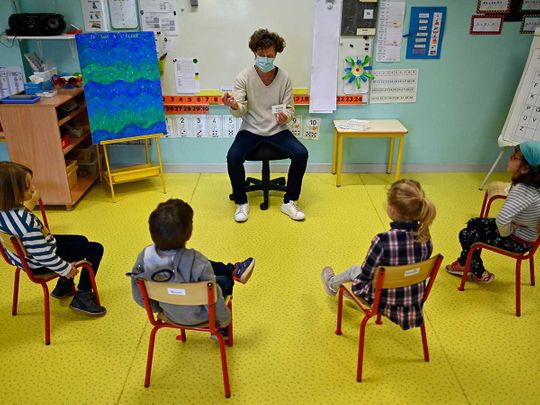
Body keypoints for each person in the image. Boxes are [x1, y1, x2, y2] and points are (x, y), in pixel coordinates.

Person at [130, 199, 255, 338]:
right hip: (201, 316)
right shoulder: (198, 261)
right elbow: (214, 297)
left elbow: (139, 295)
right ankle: (221, 332)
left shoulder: (144, 258)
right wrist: (224, 320)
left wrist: (157, 306)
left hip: (169, 312)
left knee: (202, 278)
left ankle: (233, 270)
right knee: (225, 282)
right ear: (189, 233)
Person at [321, 179, 436, 330]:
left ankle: (331, 284)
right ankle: (336, 285)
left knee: (354, 270)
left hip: (383, 301)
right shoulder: (425, 238)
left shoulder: (383, 241)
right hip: (413, 302)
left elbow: (366, 274)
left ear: (393, 210)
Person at [223, 28, 309, 222]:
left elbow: (290, 109)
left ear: (276, 53)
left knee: (301, 154)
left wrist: (284, 117)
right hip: (250, 129)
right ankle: (241, 202)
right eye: (260, 55)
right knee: (233, 156)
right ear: (254, 52)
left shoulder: (284, 77)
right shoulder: (243, 77)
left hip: (277, 130)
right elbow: (239, 110)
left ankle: (289, 201)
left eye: (269, 55)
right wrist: (235, 105)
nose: (264, 59)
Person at [0, 162, 106, 316]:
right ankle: (82, 295)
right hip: (40, 262)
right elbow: (44, 256)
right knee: (96, 249)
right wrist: (66, 269)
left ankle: (63, 286)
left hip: (24, 257)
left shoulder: (6, 211)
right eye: (27, 187)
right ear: (11, 193)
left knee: (82, 240)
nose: (33, 188)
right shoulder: (27, 226)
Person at [446, 141, 540, 283]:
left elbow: (502, 220)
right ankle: (464, 263)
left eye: (514, 157)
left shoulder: (523, 190)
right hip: (523, 234)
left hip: (518, 240)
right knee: (473, 223)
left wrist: (505, 232)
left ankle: (478, 272)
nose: (509, 158)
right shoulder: (532, 185)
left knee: (466, 235)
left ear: (526, 169)